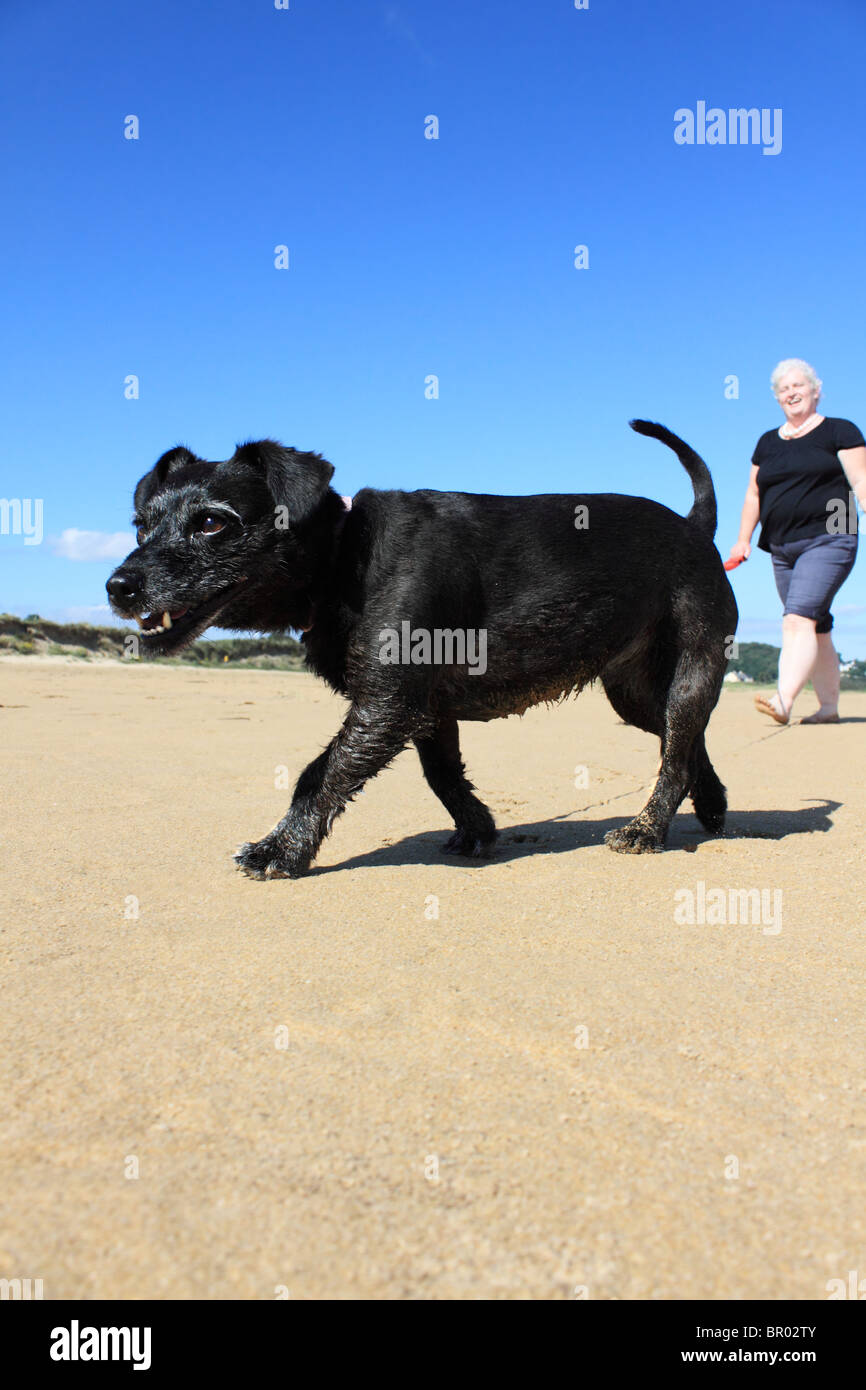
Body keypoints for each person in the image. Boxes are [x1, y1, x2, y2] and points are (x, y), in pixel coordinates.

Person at [729, 359, 866, 724]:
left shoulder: (839, 430)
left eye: (797, 386)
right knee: (816, 625)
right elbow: (753, 495)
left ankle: (783, 700)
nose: (791, 393)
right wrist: (743, 540)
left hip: (831, 537)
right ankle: (829, 707)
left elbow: (861, 480)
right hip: (781, 547)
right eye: (783, 389)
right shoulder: (767, 442)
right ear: (777, 398)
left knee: (796, 619)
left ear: (815, 390)